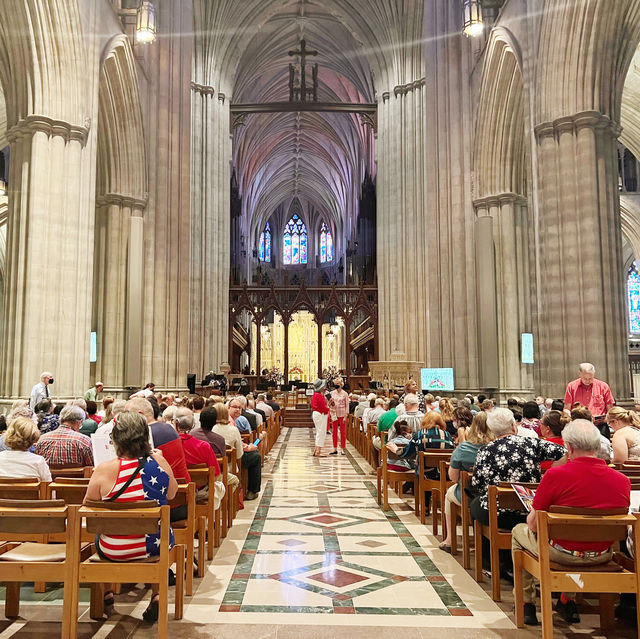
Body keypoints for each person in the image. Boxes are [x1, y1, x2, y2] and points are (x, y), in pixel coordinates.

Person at [512, 419, 631, 626]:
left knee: (518, 531)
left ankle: (526, 604)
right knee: (579, 535)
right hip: (602, 554)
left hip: (561, 553)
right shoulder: (622, 480)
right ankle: (567, 600)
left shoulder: (556, 475)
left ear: (569, 447)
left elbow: (532, 525)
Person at [84, 410, 178, 623]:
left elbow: (88, 505)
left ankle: (107, 593)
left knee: (102, 534)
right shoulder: (159, 463)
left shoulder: (104, 469)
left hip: (113, 548)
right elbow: (172, 494)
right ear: (146, 437)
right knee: (158, 530)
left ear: (115, 439)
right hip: (155, 546)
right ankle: (156, 594)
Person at [470, 408, 565, 572]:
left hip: (497, 513)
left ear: (492, 430)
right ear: (514, 427)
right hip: (528, 511)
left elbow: (477, 484)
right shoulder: (532, 444)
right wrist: (552, 475)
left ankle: (489, 561)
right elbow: (564, 452)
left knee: (475, 504)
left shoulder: (485, 451)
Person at [440, 411, 493, 552]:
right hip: (496, 497)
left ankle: (450, 540)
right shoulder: (499, 448)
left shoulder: (464, 448)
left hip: (470, 495)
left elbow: (453, 477)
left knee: (449, 494)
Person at [124, 397, 190, 483]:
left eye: (127, 415)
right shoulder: (169, 427)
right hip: (183, 484)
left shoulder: (145, 434)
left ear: (141, 415)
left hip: (165, 489)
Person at [212, 403, 262, 500]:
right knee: (256, 457)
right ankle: (252, 490)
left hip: (212, 465)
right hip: (229, 464)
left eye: (239, 407)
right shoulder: (232, 429)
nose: (237, 410)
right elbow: (239, 454)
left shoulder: (208, 429)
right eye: (235, 407)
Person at [172, 408, 221, 504]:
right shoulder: (204, 446)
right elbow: (215, 474)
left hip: (174, 495)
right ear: (193, 425)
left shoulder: (168, 446)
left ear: (175, 424)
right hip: (199, 493)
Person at [192, 405, 240, 494]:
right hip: (213, 475)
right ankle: (224, 504)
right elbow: (223, 461)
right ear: (214, 422)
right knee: (235, 480)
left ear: (200, 420)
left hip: (193, 475)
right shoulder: (219, 439)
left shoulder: (192, 434)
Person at [330, 376, 349, 455]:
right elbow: (329, 404)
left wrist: (346, 416)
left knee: (343, 432)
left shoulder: (345, 394)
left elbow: (347, 405)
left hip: (342, 413)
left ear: (341, 384)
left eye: (338, 384)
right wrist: (330, 405)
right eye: (336, 384)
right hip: (334, 413)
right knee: (334, 431)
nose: (337, 385)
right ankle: (334, 448)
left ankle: (342, 448)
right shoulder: (332, 393)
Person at [310, 378, 330, 457]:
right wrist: (329, 409)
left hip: (315, 413)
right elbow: (323, 408)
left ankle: (316, 449)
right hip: (320, 414)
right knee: (321, 432)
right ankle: (318, 451)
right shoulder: (320, 396)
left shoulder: (315, 395)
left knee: (319, 432)